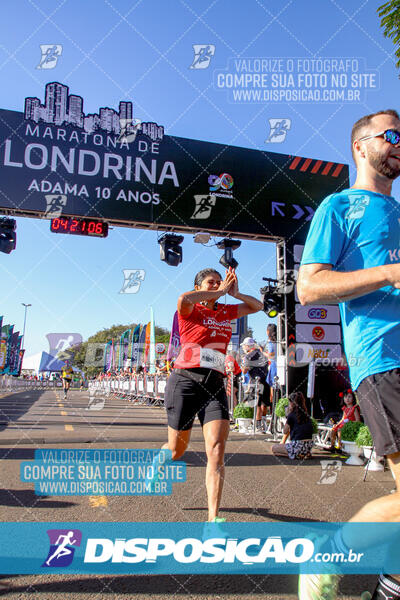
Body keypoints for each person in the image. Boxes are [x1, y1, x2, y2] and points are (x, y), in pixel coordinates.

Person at [297, 109, 400, 600]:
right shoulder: (339, 207)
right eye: (393, 135)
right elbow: (308, 287)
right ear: (362, 146)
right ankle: (330, 553)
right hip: (384, 359)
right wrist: (388, 273)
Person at [160, 266, 263, 523]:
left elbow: (258, 306)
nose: (217, 285)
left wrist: (236, 293)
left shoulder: (226, 311)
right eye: (210, 282)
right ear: (198, 287)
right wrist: (217, 291)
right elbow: (183, 299)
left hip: (214, 383)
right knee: (176, 450)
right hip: (185, 380)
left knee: (216, 449)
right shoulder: (190, 309)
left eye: (220, 281)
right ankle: (157, 462)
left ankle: (213, 520)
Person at [271, 391, 314, 460]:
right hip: (308, 445)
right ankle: (304, 453)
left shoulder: (292, 415)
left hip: (297, 444)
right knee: (282, 448)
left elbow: (285, 431)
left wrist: (288, 416)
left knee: (274, 448)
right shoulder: (306, 414)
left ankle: (295, 454)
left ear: (292, 403)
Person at [240, 337, 270, 432]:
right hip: (265, 380)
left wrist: (242, 365)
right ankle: (264, 424)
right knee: (264, 403)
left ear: (248, 346)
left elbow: (244, 371)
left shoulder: (248, 356)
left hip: (255, 381)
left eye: (244, 345)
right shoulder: (262, 353)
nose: (243, 347)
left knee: (256, 403)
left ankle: (258, 425)